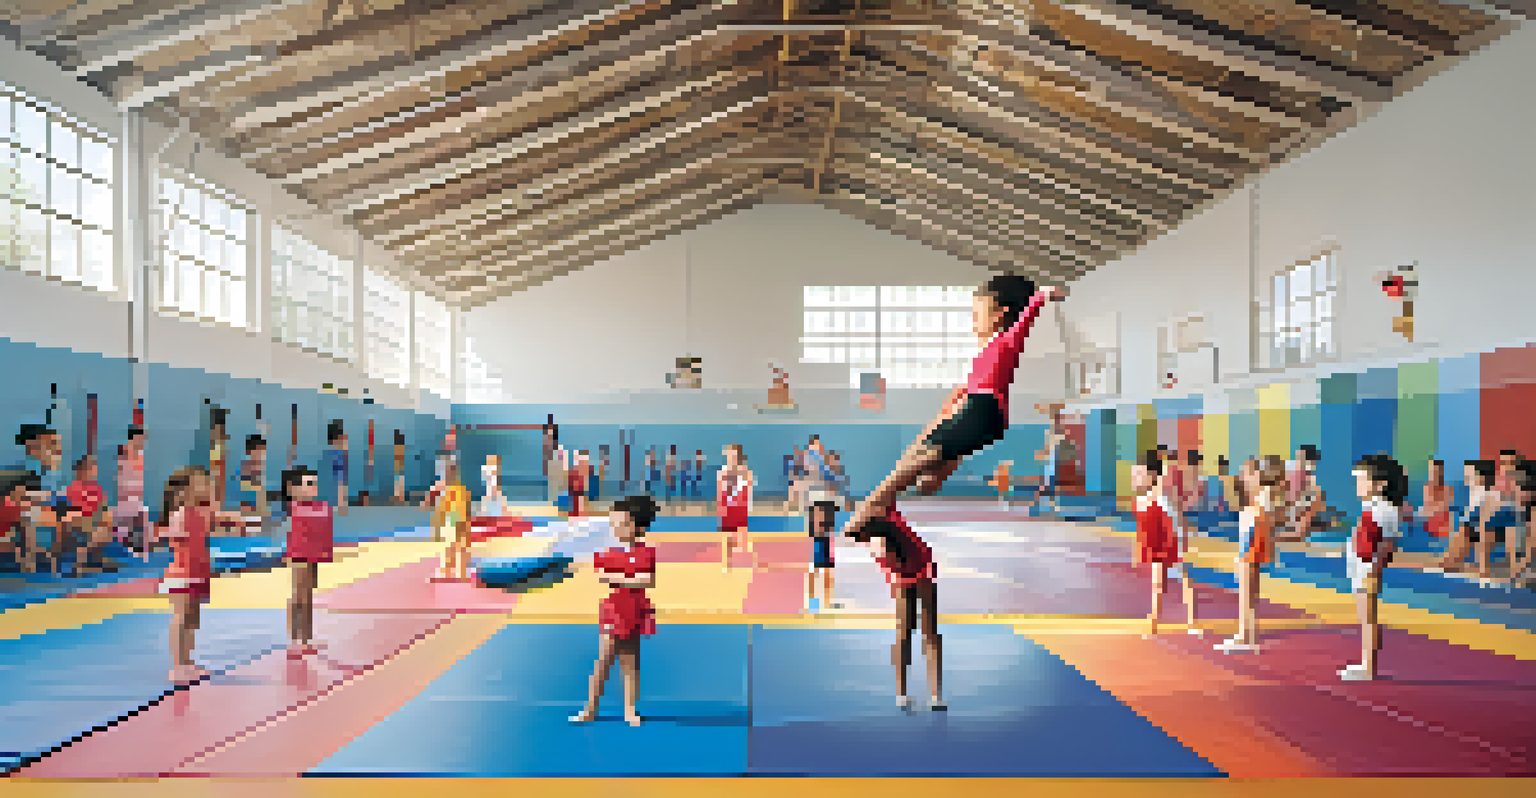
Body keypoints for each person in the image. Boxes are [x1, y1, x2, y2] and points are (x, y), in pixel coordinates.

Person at [842, 278, 1065, 540]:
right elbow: (960, 395)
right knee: (922, 472)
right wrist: (932, 428)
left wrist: (1041, 296)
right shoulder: (982, 354)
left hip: (986, 411)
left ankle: (869, 510)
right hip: (970, 411)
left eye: (977, 313)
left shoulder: (1006, 342)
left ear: (999, 314)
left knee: (919, 459)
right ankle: (888, 506)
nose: (973, 320)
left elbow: (1024, 323)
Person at [572, 495, 660, 727]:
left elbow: (648, 580)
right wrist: (630, 578)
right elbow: (603, 575)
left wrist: (621, 577)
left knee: (630, 660)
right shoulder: (608, 551)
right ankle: (590, 709)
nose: (615, 528)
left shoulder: (646, 552)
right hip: (614, 609)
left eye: (621, 524)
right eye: (614, 524)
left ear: (637, 527)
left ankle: (630, 710)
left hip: (635, 609)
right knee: (604, 658)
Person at [847, 504, 943, 710]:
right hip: (903, 573)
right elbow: (892, 565)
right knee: (904, 632)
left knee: (929, 631)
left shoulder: (888, 523)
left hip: (922, 569)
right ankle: (902, 692)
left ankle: (935, 694)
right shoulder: (879, 546)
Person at [159, 466, 247, 684]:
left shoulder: (202, 512)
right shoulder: (180, 514)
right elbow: (176, 536)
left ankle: (188, 662)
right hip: (182, 575)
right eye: (202, 484)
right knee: (181, 618)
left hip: (199, 573)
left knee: (192, 619)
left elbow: (221, 519)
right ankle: (177, 666)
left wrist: (238, 523)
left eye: (208, 484)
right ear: (186, 491)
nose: (208, 487)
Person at [1341, 454, 1408, 681]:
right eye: (1356, 479)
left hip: (1368, 569)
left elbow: (1388, 544)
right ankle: (1366, 662)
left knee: (1368, 618)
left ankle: (1368, 666)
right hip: (1362, 567)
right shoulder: (1372, 507)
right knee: (1365, 617)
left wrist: (1374, 569)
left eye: (1362, 479)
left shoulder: (1384, 510)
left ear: (1380, 484)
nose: (1357, 484)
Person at [1218, 457, 1282, 653]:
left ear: (1257, 475)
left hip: (1252, 542)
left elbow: (1265, 519)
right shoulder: (1256, 497)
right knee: (1247, 592)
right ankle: (1246, 633)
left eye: (1246, 474)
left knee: (1247, 591)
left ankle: (1245, 635)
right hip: (1249, 541)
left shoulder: (1266, 495)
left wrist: (1248, 554)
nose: (1242, 479)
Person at [1136, 449, 1201, 638]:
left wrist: (1181, 538)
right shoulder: (1146, 495)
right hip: (1157, 541)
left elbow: (1177, 514)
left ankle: (1188, 622)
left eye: (1141, 472)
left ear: (1152, 474)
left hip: (1170, 539)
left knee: (1182, 580)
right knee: (1160, 582)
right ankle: (1155, 623)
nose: (1138, 476)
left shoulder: (1162, 491)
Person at [281, 466, 334, 657]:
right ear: (294, 489)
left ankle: (306, 639)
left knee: (308, 596)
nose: (314, 487)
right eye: (309, 483)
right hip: (299, 556)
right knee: (299, 596)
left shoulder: (320, 506)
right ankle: (294, 640)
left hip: (313, 556)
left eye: (315, 483)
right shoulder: (294, 505)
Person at [14, 424, 67, 575]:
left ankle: (36, 559)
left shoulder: (54, 469)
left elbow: (55, 495)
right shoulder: (35, 467)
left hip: (54, 506)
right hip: (42, 506)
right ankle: (29, 559)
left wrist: (29, 496)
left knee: (30, 515)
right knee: (27, 514)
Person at [1441, 460, 1499, 575]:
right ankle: (1451, 559)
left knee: (1467, 530)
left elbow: (1490, 515)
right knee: (1463, 530)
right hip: (1473, 524)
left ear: (1482, 477)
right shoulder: (1472, 491)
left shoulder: (1491, 494)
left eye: (1473, 474)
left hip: (1487, 526)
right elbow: (1466, 513)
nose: (1469, 477)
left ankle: (1454, 561)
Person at [64, 455, 111, 575]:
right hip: (80, 520)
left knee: (104, 527)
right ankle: (83, 560)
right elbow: (75, 509)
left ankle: (93, 560)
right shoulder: (73, 488)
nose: (91, 472)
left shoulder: (97, 489)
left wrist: (104, 515)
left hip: (94, 520)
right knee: (96, 528)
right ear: (80, 471)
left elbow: (102, 506)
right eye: (88, 468)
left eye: (92, 468)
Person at [431, 458, 472, 581]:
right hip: (452, 521)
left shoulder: (459, 490)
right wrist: (438, 527)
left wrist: (466, 523)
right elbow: (441, 510)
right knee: (451, 548)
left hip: (457, 521)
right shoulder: (447, 490)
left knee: (457, 548)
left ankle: (458, 571)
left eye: (449, 471)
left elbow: (465, 508)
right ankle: (450, 571)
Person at [115, 426, 150, 558]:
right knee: (129, 521)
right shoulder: (124, 453)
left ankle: (139, 547)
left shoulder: (141, 456)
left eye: (143, 439)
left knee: (142, 515)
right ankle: (127, 546)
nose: (141, 442)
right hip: (125, 498)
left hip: (137, 497)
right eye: (139, 439)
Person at [718, 444, 754, 570]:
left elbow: (749, 487)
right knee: (729, 536)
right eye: (728, 454)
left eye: (732, 454)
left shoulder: (744, 471)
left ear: (737, 456)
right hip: (728, 506)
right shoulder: (723, 472)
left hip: (740, 505)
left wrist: (748, 505)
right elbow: (720, 489)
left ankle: (742, 556)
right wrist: (720, 506)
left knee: (741, 535)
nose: (730, 457)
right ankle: (728, 562)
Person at [807, 497, 840, 611]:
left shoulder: (823, 521)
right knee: (816, 572)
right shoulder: (818, 517)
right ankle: (815, 601)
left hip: (824, 542)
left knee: (826, 572)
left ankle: (825, 601)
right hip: (818, 542)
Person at [1419, 459, 1454, 539]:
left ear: (1441, 473)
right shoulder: (1427, 488)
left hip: (1443, 527)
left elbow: (1446, 507)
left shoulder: (1447, 489)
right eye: (1431, 472)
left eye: (1436, 472)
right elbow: (1427, 509)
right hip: (1430, 526)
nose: (1433, 475)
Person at [239, 435, 269, 520]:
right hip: (249, 516)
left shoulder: (259, 472)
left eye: (263, 451)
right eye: (259, 451)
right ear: (249, 452)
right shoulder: (245, 471)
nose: (262, 455)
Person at [324, 421, 349, 516]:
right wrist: (341, 504)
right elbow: (340, 481)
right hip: (335, 503)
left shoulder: (327, 454)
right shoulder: (338, 455)